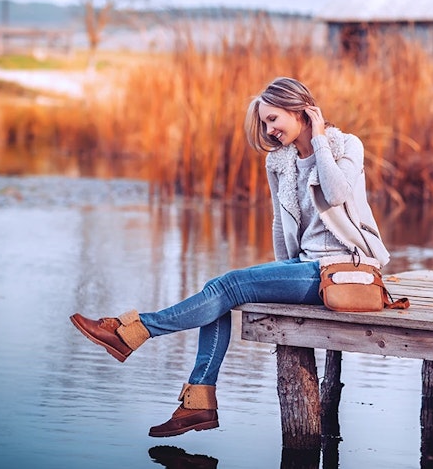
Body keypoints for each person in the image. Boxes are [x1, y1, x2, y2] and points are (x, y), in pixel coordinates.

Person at [70, 77, 390, 437]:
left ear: (300, 110)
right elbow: (279, 222)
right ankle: (197, 402)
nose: (268, 130)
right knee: (220, 290)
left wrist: (318, 138)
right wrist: (277, 277)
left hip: (344, 268)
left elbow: (335, 194)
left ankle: (134, 330)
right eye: (264, 123)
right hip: (305, 268)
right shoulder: (280, 161)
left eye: (273, 119)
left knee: (229, 286)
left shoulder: (346, 145)